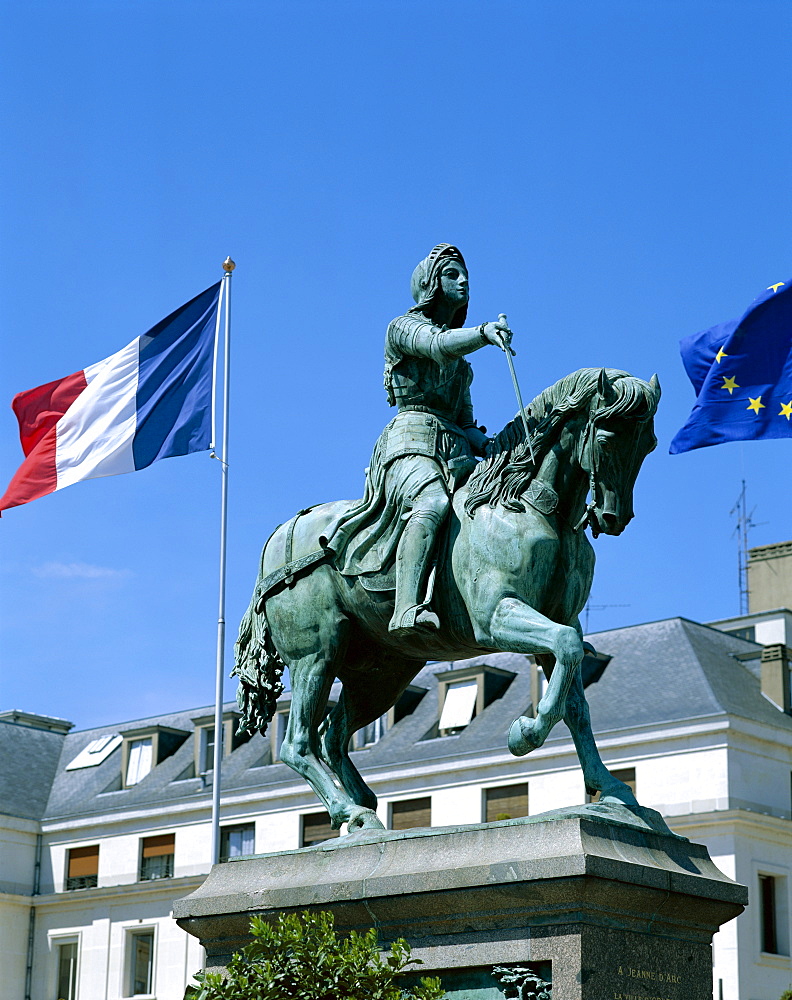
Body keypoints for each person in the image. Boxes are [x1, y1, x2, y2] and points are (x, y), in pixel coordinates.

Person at [323, 244, 512, 636]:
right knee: (432, 503)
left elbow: (466, 421)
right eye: (452, 275)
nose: (463, 282)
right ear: (431, 283)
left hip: (456, 451)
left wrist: (492, 445)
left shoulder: (463, 366)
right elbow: (437, 346)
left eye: (466, 277)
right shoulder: (403, 328)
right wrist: (482, 333)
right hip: (411, 444)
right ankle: (406, 607)